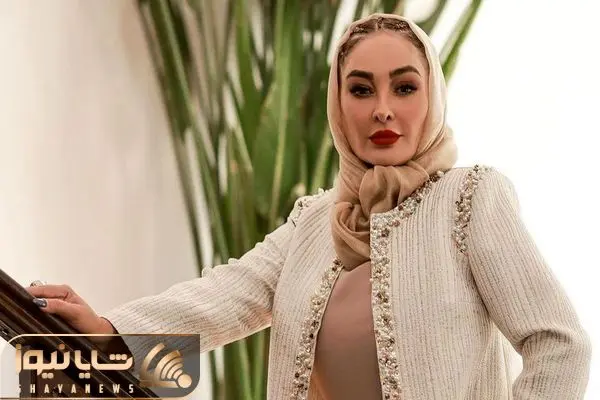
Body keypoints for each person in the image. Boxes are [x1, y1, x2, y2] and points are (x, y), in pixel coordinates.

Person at [26, 13, 592, 400]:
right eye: (361, 89)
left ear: (433, 96)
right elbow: (218, 301)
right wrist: (107, 330)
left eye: (404, 87)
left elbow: (559, 345)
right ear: (338, 104)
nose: (383, 109)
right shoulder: (314, 221)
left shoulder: (470, 199)